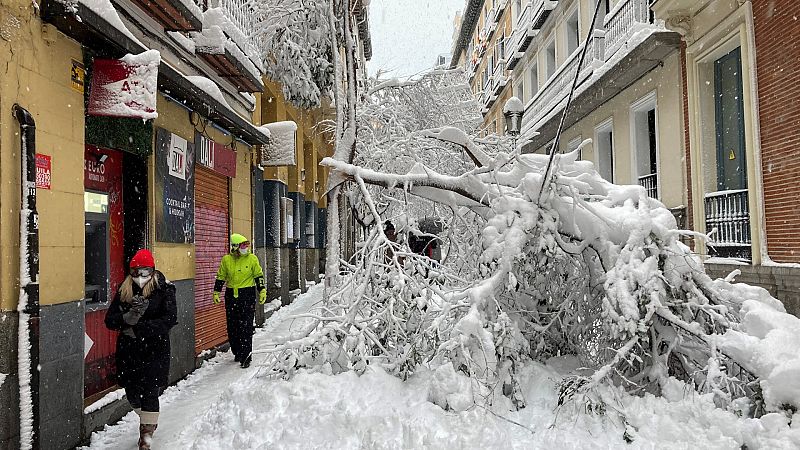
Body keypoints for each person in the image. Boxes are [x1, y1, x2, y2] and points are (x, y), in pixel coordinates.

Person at [105, 249, 177, 450]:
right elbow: (109, 320)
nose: (139, 276)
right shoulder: (124, 289)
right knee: (133, 394)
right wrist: (125, 318)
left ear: (152, 270)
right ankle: (148, 419)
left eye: (144, 271)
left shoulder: (165, 289)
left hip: (155, 350)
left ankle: (146, 436)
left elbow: (170, 319)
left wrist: (140, 328)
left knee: (150, 392)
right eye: (135, 272)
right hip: (129, 353)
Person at [213, 233, 267, 368]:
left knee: (246, 326)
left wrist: (262, 290)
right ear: (235, 247)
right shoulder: (226, 260)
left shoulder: (252, 259)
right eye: (243, 245)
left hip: (247, 296)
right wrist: (216, 291)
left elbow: (258, 275)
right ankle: (237, 351)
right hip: (231, 296)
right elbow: (221, 276)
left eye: (247, 245)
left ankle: (246, 355)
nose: (246, 248)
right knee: (233, 328)